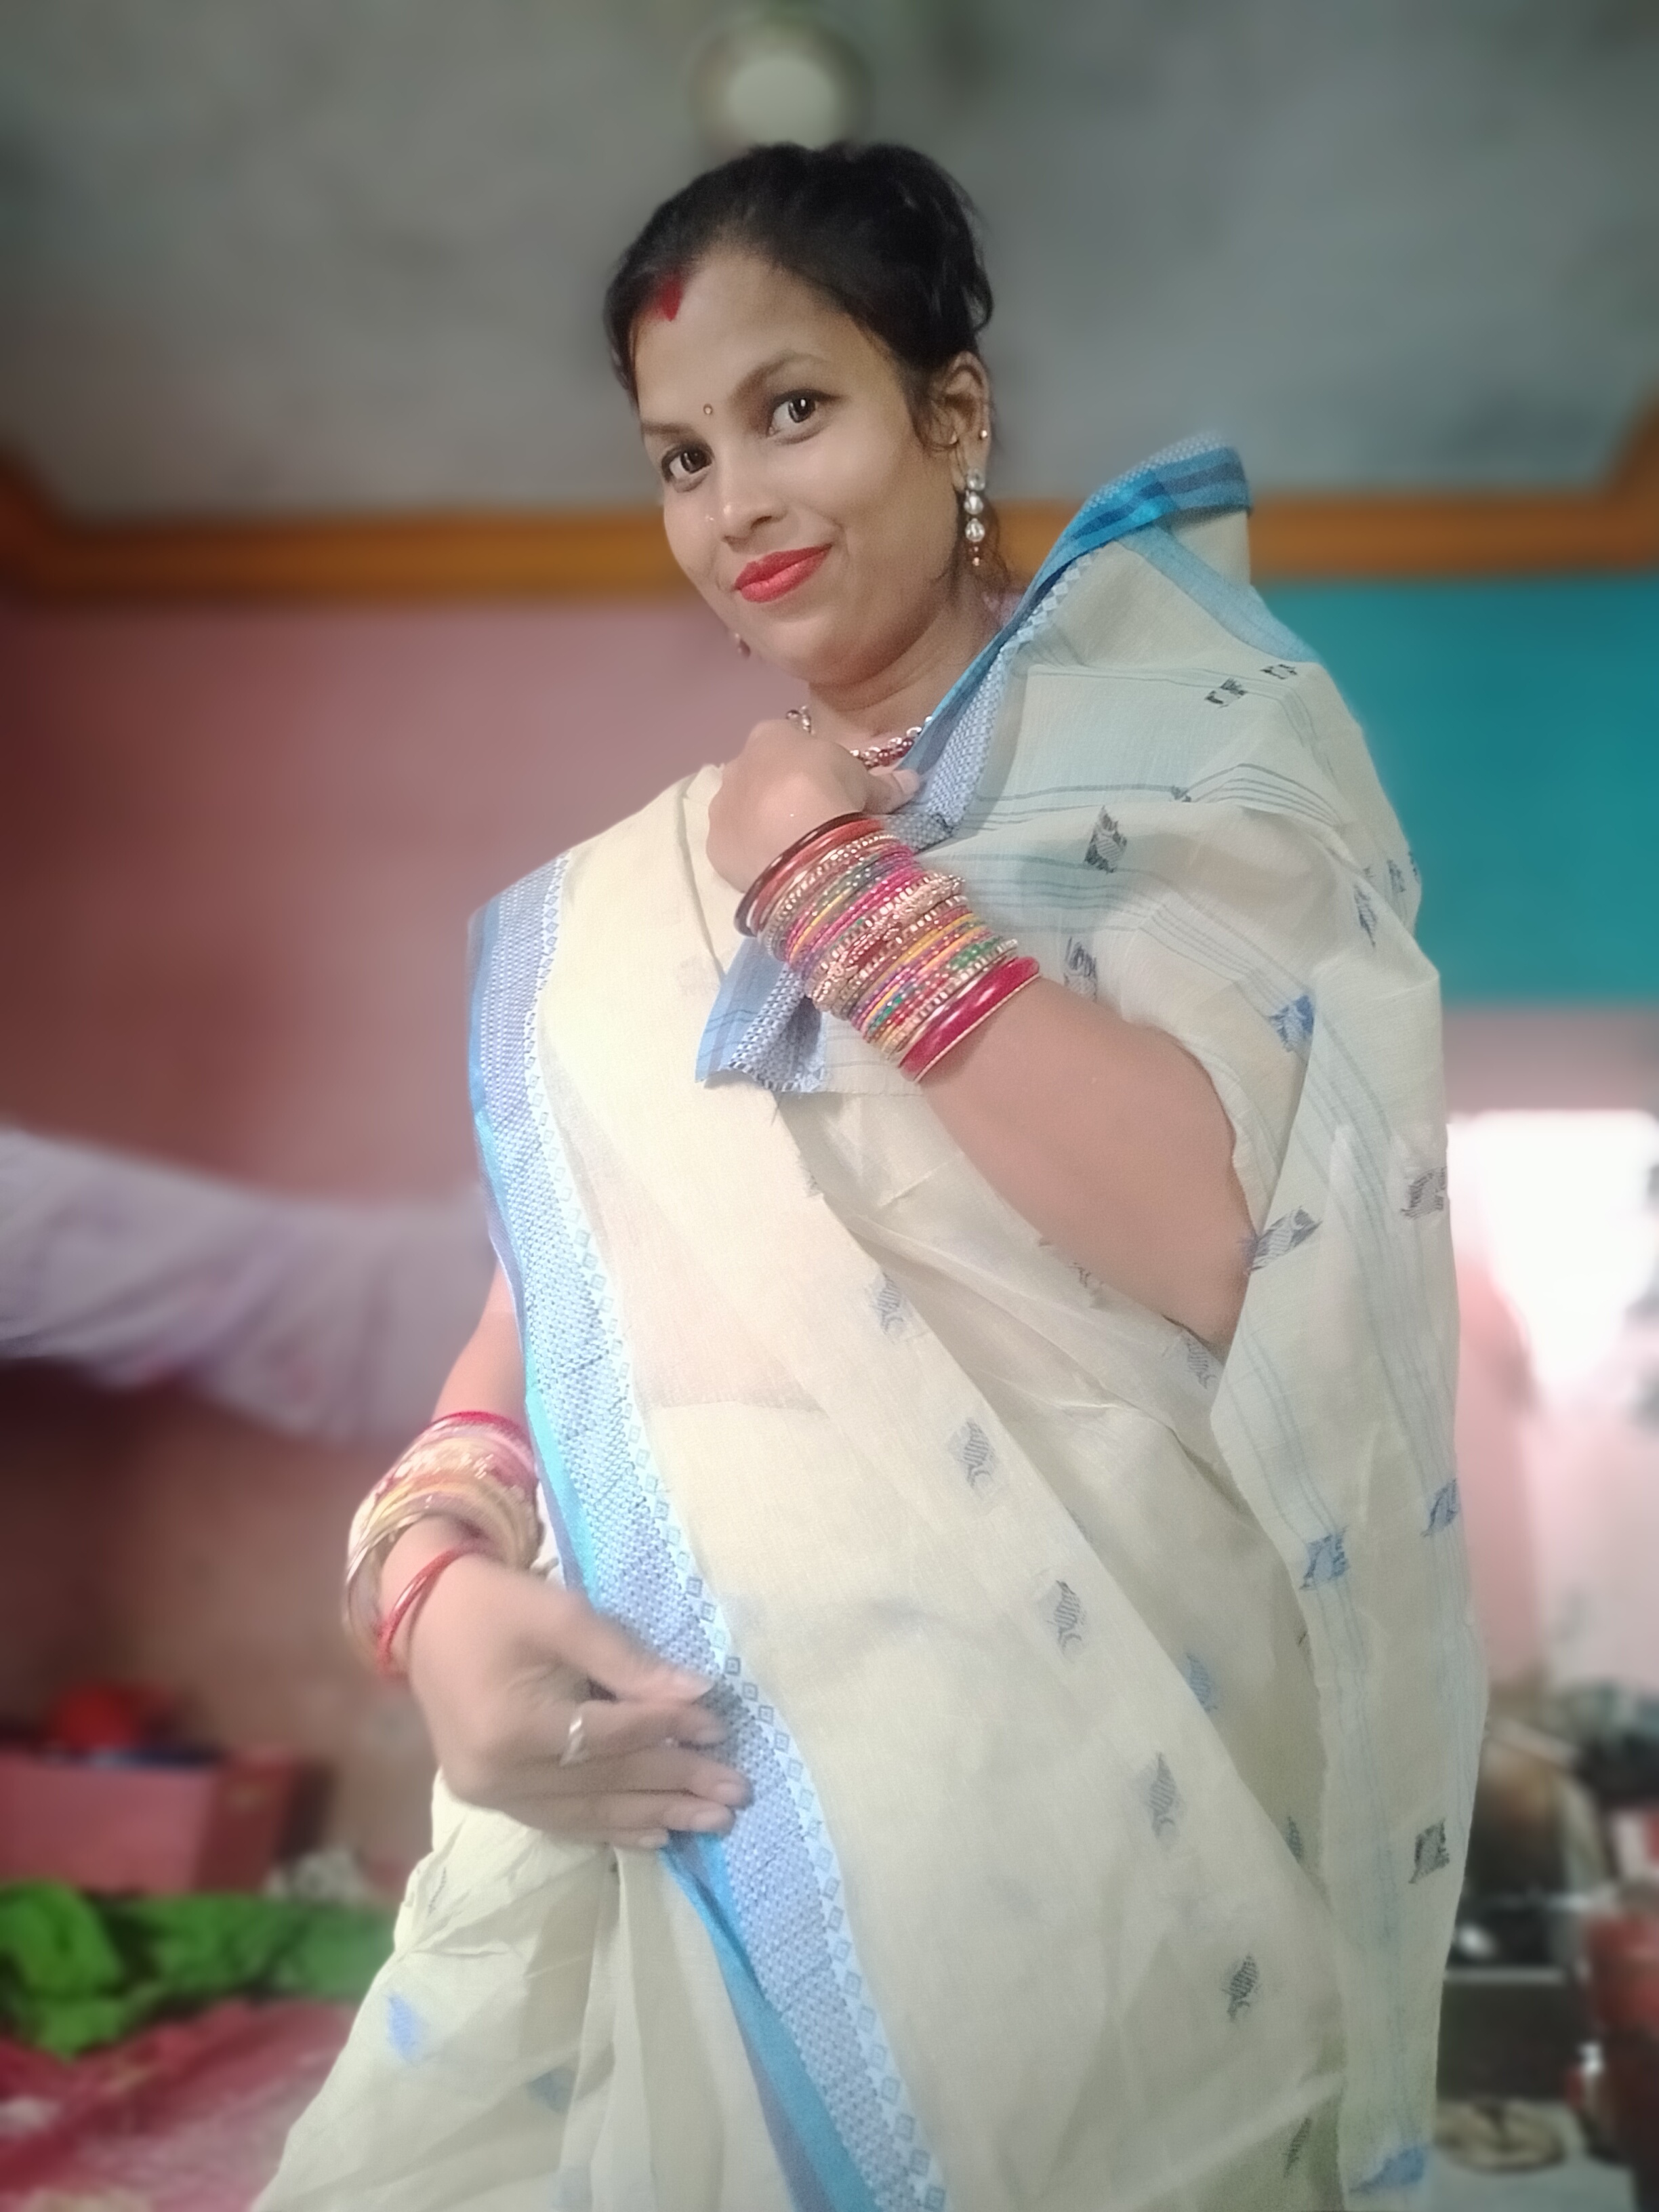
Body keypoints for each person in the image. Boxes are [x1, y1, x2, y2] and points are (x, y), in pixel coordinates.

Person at [261, 142, 1483, 2212]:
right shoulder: (642, 904)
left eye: (793, 409)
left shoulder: (1190, 758)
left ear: (955, 411)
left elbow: (1227, 1237)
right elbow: (546, 1328)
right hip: (691, 1817)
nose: (733, 502)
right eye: (680, 457)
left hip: (1096, 1872)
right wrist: (434, 1583)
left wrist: (830, 882)